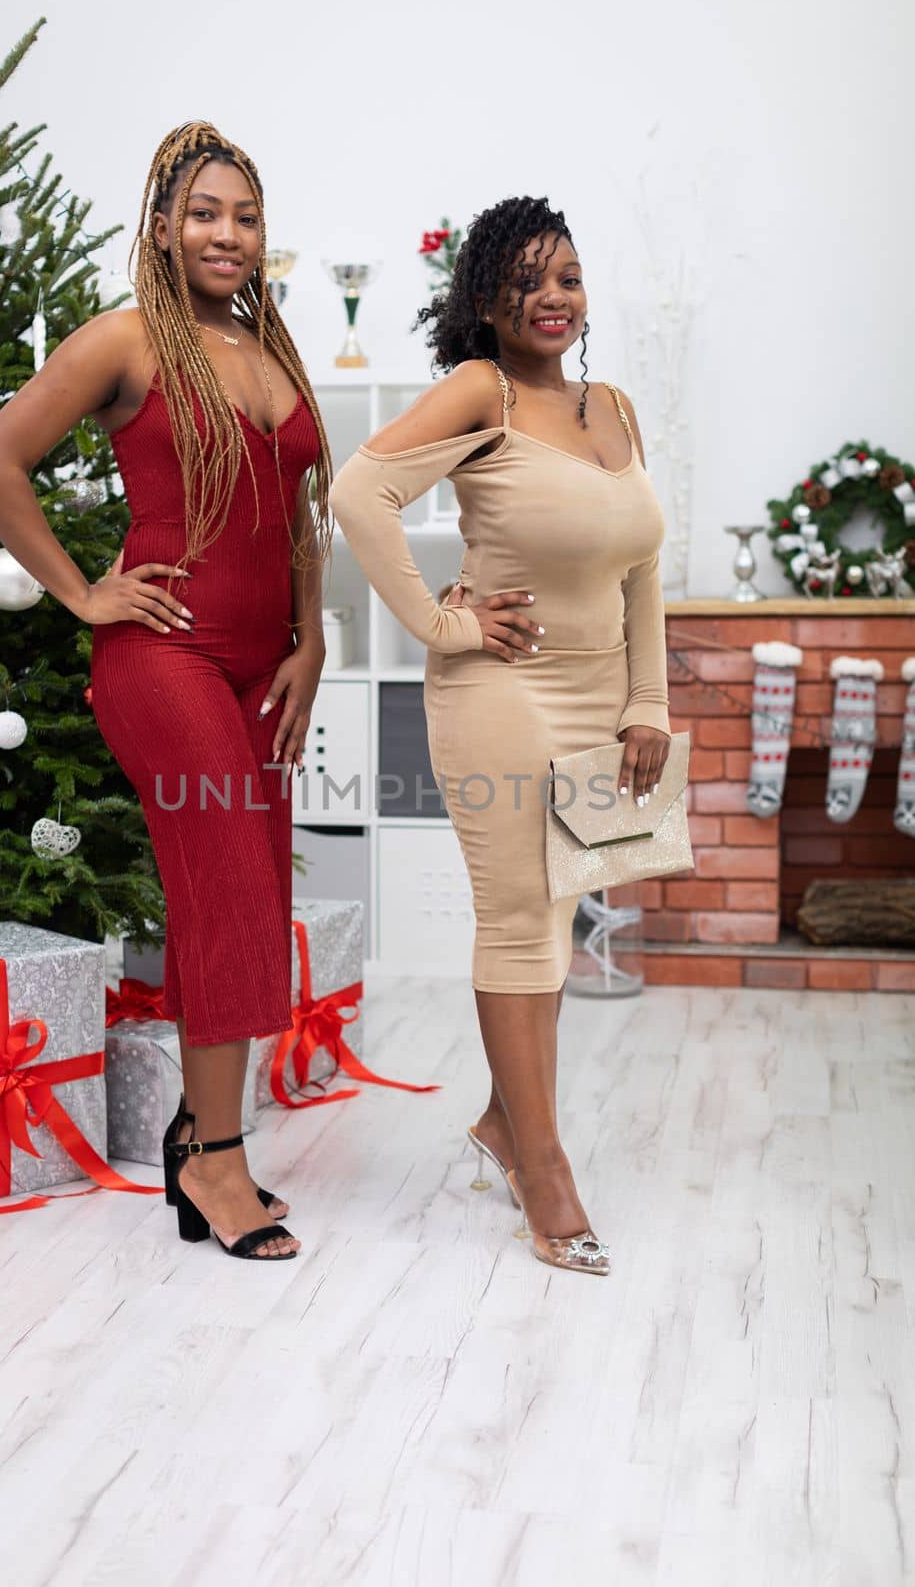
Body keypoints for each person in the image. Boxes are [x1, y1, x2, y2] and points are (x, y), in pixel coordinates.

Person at [0, 122, 334, 1262]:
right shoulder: (127, 340)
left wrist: (310, 636)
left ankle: (195, 1133)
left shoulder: (271, 343)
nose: (227, 234)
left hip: (260, 659)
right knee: (224, 877)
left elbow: (299, 507)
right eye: (206, 214)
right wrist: (81, 595)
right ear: (163, 228)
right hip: (162, 657)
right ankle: (215, 1161)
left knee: (253, 885)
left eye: (246, 216)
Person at [329, 196, 672, 1276]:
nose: (552, 298)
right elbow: (359, 490)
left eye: (566, 276)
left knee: (559, 917)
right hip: (501, 691)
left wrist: (646, 703)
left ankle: (498, 1127)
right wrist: (444, 624)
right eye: (525, 281)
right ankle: (545, 1168)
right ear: (485, 300)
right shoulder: (483, 392)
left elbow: (642, 570)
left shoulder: (609, 406)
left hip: (597, 696)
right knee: (520, 921)